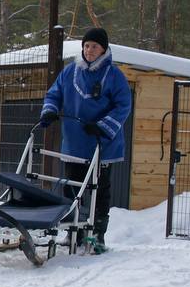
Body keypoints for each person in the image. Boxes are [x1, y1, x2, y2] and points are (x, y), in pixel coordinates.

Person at [38, 26, 132, 253]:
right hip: (74, 142)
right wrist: (49, 111)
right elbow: (54, 94)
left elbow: (123, 105)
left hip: (102, 144)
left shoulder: (114, 75)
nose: (89, 50)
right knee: (71, 188)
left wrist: (102, 126)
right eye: (87, 46)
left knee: (99, 190)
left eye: (95, 46)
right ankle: (75, 233)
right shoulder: (69, 72)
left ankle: (97, 236)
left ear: (103, 50)